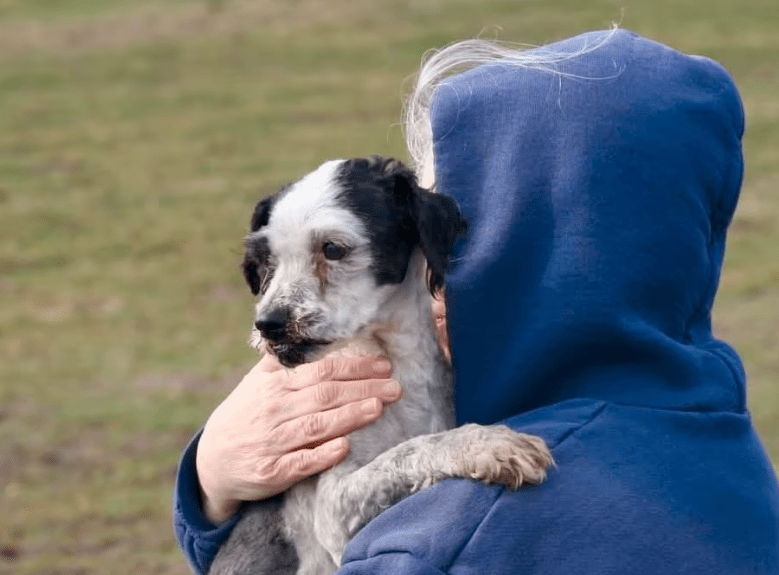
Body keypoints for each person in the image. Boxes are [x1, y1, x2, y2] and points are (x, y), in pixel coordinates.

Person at [174, 28, 779, 574]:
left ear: (521, 249)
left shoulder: (451, 537)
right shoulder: (728, 444)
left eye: (451, 241)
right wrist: (213, 482)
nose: (423, 277)